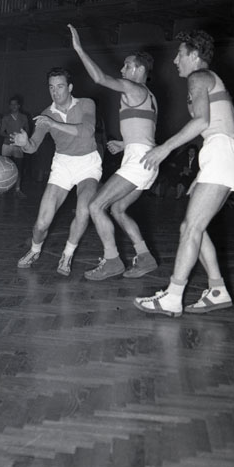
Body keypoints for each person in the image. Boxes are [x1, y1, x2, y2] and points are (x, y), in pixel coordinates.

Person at [135, 30, 234, 316]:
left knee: (191, 228)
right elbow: (217, 123)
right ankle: (217, 289)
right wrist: (201, 172)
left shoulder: (199, 77)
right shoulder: (207, 80)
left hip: (221, 152)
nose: (175, 60)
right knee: (192, 227)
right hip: (219, 154)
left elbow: (202, 122)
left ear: (194, 56)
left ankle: (173, 297)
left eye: (180, 54)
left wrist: (165, 148)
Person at [68, 24, 158, 281]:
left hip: (139, 161)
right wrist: (125, 144)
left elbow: (100, 78)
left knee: (96, 205)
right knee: (117, 209)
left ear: (139, 70)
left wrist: (79, 49)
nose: (122, 70)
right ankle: (145, 257)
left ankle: (112, 261)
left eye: (127, 66)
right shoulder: (150, 96)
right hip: (145, 158)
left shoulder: (134, 88)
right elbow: (145, 131)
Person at [11, 67, 102, 276]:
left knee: (83, 210)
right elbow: (33, 146)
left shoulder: (86, 103)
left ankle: (67, 254)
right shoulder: (45, 114)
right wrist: (24, 143)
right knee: (41, 223)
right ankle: (35, 250)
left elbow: (87, 131)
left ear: (70, 87)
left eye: (60, 86)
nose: (55, 92)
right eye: (51, 87)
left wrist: (54, 123)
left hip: (88, 163)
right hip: (62, 165)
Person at [0, 97, 29, 196]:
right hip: (7, 144)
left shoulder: (24, 117)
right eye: (11, 104)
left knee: (18, 167)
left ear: (19, 105)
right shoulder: (6, 118)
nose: (13, 106)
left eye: (15, 104)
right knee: (4, 168)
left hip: (18, 145)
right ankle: (3, 189)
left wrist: (21, 138)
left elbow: (27, 130)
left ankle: (17, 189)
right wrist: (11, 136)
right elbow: (1, 132)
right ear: (9, 106)